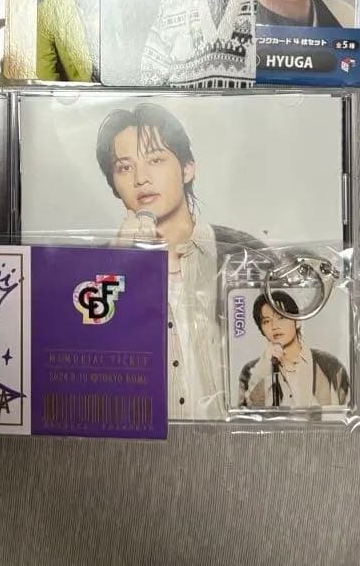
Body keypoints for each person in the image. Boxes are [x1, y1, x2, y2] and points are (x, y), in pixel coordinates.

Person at [96, 102, 263, 420]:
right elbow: (82, 366)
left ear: (187, 168)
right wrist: (115, 264)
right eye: (125, 168)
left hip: (235, 440)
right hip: (140, 443)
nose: (141, 178)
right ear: (114, 186)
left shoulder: (242, 253)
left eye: (155, 160)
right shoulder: (96, 270)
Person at [238, 291, 349, 409]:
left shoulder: (328, 365)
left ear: (297, 321)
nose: (274, 326)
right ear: (262, 330)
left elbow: (348, 411)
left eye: (281, 317)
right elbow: (246, 414)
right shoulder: (251, 371)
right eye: (266, 321)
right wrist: (264, 369)